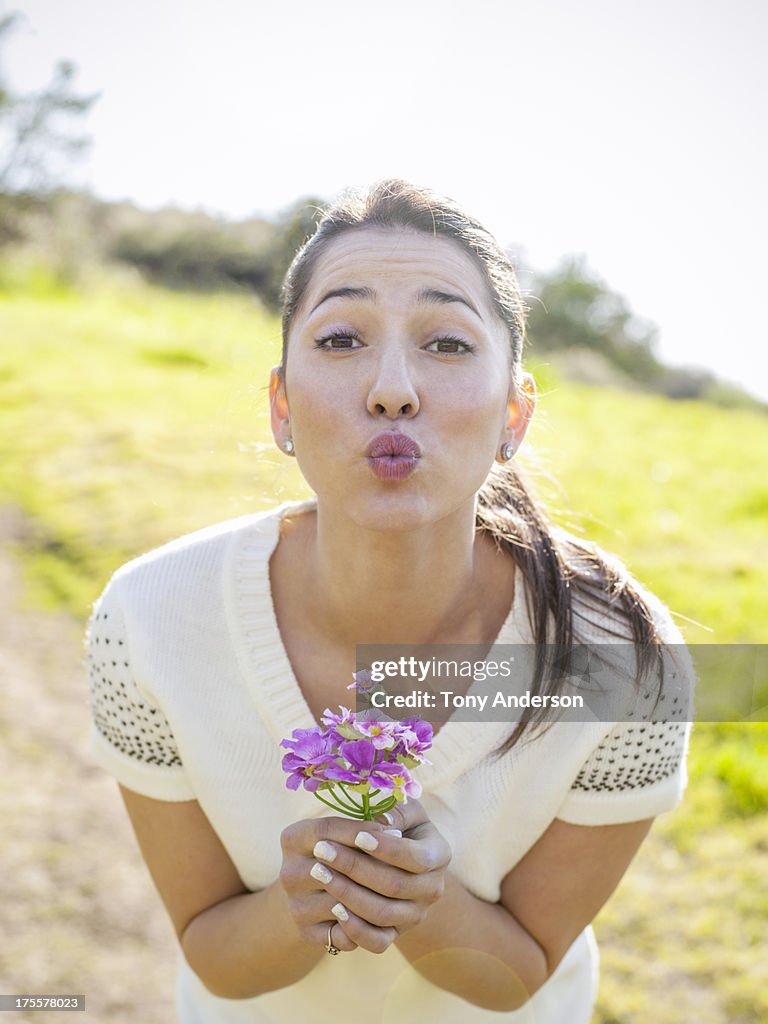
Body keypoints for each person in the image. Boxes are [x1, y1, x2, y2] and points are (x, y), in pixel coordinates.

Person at [86, 179, 693, 1024]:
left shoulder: (628, 660)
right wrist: (303, 901)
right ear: (281, 406)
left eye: (447, 343)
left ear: (514, 414)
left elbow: (516, 975)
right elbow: (216, 960)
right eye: (340, 337)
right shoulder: (147, 621)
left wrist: (411, 894)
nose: (393, 390)